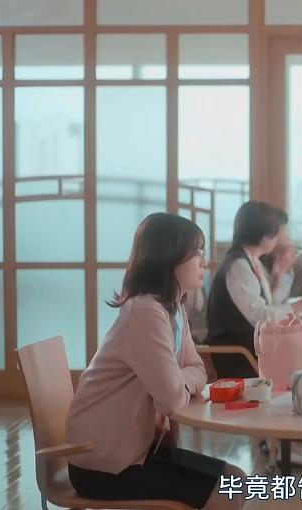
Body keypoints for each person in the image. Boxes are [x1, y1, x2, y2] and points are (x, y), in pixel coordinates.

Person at [65, 212, 244, 510]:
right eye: (197, 253)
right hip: (107, 464)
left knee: (236, 480)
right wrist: (178, 383)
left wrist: (178, 380)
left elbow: (198, 369)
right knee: (227, 492)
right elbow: (172, 399)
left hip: (140, 450)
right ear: (168, 258)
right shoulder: (146, 313)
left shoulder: (173, 308)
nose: (204, 262)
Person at [205, 201, 302, 378]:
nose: (279, 238)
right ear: (264, 237)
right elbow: (261, 318)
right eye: (277, 232)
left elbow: (269, 306)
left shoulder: (252, 261)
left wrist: (279, 275)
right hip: (241, 357)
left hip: (257, 350)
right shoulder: (239, 266)